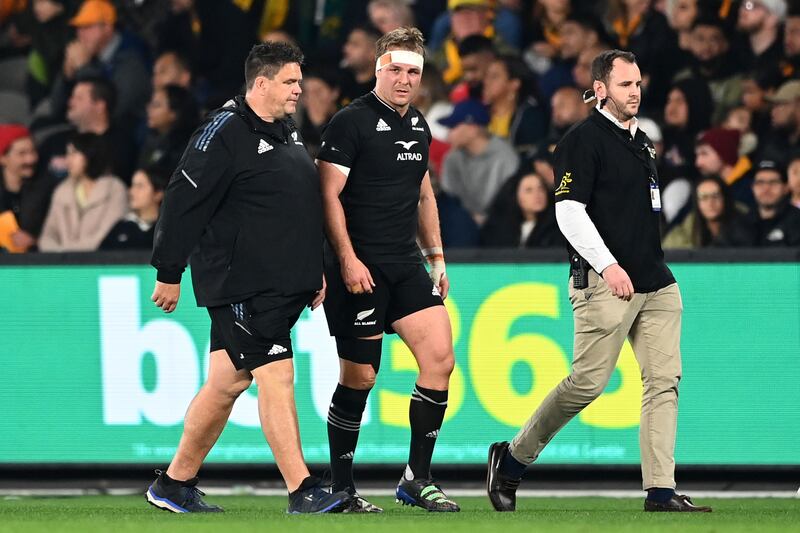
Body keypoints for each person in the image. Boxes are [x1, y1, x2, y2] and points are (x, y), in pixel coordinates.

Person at [486, 50, 712, 513]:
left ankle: (660, 491)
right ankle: (511, 460)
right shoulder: (581, 140)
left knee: (663, 381)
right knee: (588, 383)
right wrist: (608, 266)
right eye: (626, 84)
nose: (635, 91)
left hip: (656, 281)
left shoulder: (643, 141)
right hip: (604, 281)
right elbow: (568, 211)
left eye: (638, 83)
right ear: (602, 89)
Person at [146, 41, 351, 515]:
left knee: (226, 383)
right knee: (276, 374)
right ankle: (302, 488)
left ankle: (174, 483)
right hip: (242, 284)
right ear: (260, 83)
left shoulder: (285, 130)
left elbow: (295, 202)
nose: (299, 90)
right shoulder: (222, 132)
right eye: (290, 82)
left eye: (299, 81)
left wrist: (313, 265)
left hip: (279, 280)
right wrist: (169, 270)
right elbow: (181, 200)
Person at [316, 27, 459, 513]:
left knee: (440, 358)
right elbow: (327, 195)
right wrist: (347, 259)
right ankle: (341, 487)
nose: (403, 79)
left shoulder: (419, 125)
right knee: (360, 378)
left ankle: (416, 479)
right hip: (359, 267)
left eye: (412, 72)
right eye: (395, 69)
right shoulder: (349, 123)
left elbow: (423, 194)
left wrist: (436, 257)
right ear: (378, 69)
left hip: (404, 265)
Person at [439, 98, 520, 226]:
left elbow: (510, 204)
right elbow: (450, 200)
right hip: (462, 226)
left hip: (500, 227)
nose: (449, 134)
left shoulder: (506, 157)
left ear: (472, 129)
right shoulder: (452, 158)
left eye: (453, 127)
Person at [0, 125, 56, 252]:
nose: (30, 159)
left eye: (32, 152)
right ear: (3, 158)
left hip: (35, 262)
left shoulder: (47, 187)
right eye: (22, 154)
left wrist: (35, 241)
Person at [480, 171, 563, 248]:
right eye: (529, 190)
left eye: (541, 188)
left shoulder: (559, 226)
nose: (537, 194)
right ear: (515, 196)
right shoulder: (499, 228)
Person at [728, 159, 800, 245]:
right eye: (760, 182)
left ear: (785, 188)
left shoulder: (797, 220)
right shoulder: (739, 224)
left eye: (773, 182)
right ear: (752, 188)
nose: (766, 188)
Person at [662, 175, 747, 248]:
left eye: (715, 196)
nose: (710, 203)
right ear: (696, 202)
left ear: (725, 199)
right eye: (704, 197)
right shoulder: (685, 232)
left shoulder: (744, 226)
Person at [99, 165, 167, 250]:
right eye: (132, 185)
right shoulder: (121, 226)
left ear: (158, 194)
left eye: (140, 186)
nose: (132, 191)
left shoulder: (169, 230)